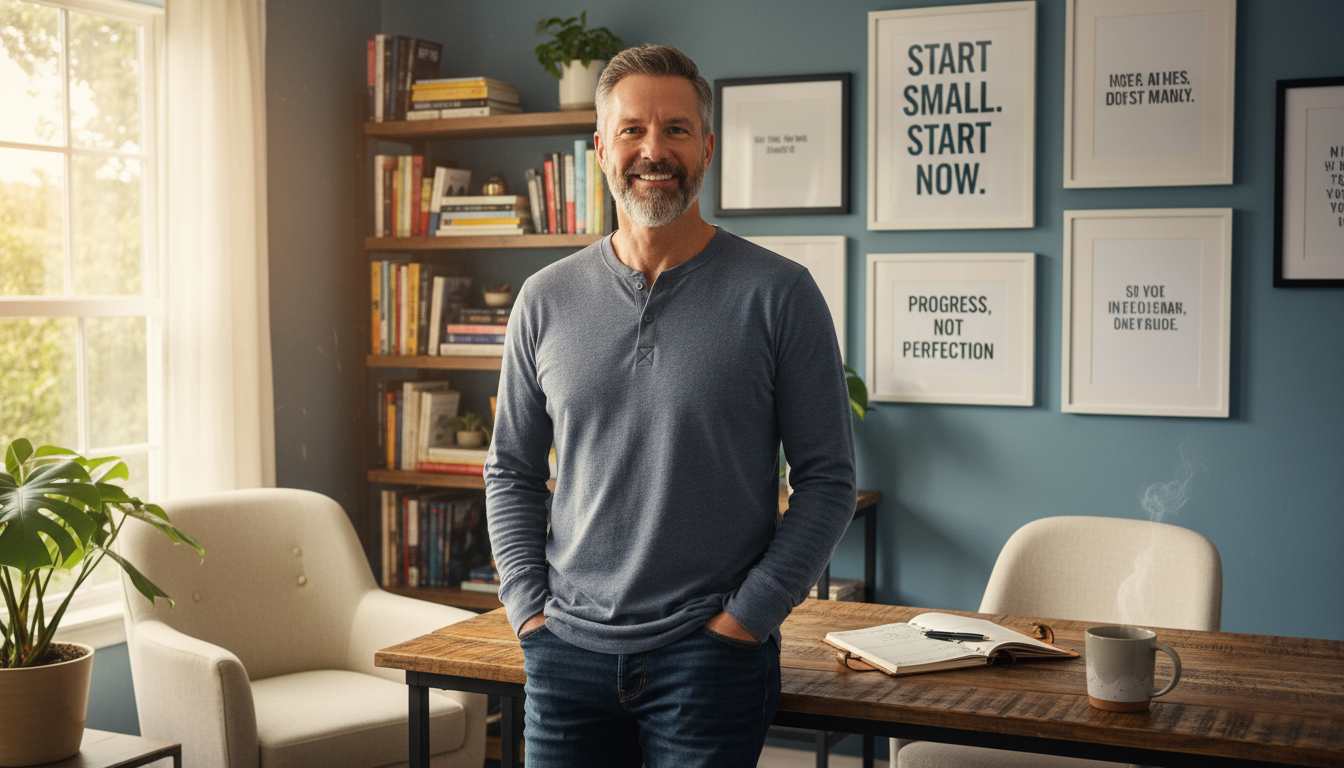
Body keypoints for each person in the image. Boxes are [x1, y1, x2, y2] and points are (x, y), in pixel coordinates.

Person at [483, 43, 856, 768]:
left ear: (707, 148)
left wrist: (745, 620)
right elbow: (511, 472)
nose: (654, 150)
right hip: (565, 657)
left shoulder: (779, 294)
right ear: (600, 148)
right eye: (632, 130)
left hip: (708, 662)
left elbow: (829, 481)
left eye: (676, 130)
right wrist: (528, 608)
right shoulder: (544, 300)